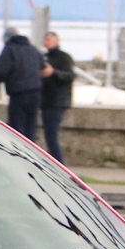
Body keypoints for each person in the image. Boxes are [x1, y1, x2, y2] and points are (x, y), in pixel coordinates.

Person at [0, 29, 43, 140]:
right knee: (31, 127)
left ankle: (19, 155)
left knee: (17, 129)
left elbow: (2, 71)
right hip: (36, 92)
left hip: (18, 93)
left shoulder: (9, 49)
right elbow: (42, 67)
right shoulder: (33, 49)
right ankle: (31, 153)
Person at [39, 31, 75, 160]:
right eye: (45, 40)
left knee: (51, 134)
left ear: (56, 41)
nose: (46, 42)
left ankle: (58, 162)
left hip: (58, 101)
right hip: (46, 100)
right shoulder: (44, 57)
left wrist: (53, 72)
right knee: (48, 134)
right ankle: (53, 161)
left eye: (49, 40)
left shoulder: (63, 57)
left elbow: (70, 75)